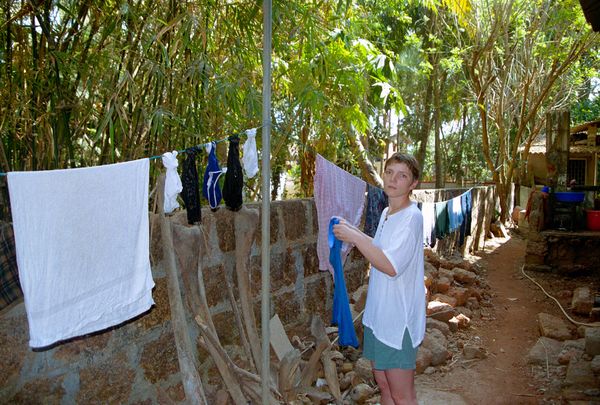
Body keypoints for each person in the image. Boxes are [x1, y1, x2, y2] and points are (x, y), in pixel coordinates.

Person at [333, 152, 425, 405]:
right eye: (389, 172)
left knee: (402, 394)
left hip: (398, 322)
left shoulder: (412, 218)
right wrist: (352, 230)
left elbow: (390, 265)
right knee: (384, 386)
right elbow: (382, 248)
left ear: (413, 184)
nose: (393, 179)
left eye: (402, 175)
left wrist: (355, 238)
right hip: (378, 317)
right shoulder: (387, 212)